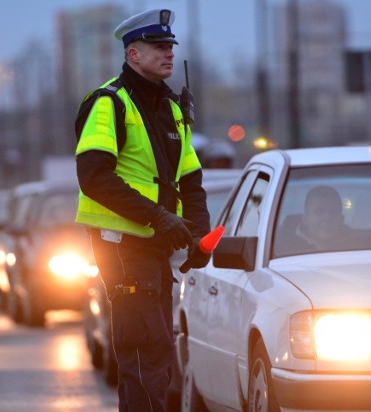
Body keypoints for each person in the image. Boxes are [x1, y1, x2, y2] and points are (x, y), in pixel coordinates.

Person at [74, 9, 211, 412]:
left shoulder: (171, 109)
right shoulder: (109, 103)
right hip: (122, 244)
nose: (169, 53)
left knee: (158, 353)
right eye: (158, 47)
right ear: (133, 54)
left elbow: (191, 181)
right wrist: (158, 216)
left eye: (171, 46)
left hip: (153, 245)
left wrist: (200, 235)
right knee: (144, 352)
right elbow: (94, 177)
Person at [295, 185, 351, 251]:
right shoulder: (286, 250)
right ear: (305, 219)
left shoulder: (358, 247)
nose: (327, 217)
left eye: (333, 212)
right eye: (319, 212)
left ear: (341, 219)